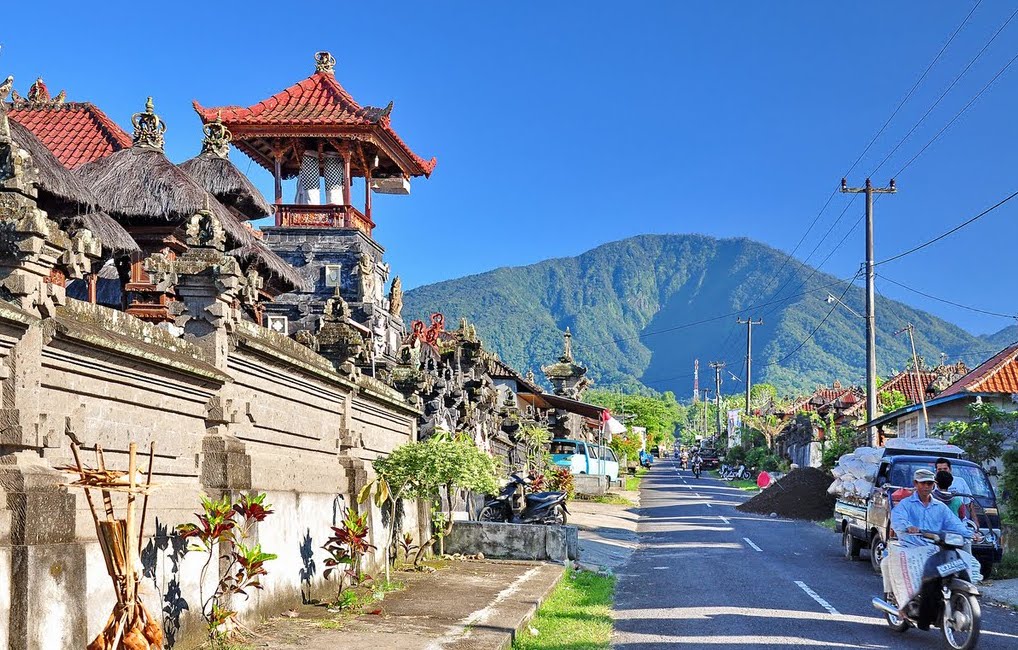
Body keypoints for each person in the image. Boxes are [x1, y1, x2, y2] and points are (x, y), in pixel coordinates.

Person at [890, 468, 973, 548]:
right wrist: (908, 527)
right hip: (909, 549)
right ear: (915, 483)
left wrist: (971, 534)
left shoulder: (941, 507)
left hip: (935, 550)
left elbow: (955, 524)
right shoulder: (905, 504)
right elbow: (897, 520)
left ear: (934, 485)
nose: (926, 486)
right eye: (923, 483)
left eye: (929, 483)